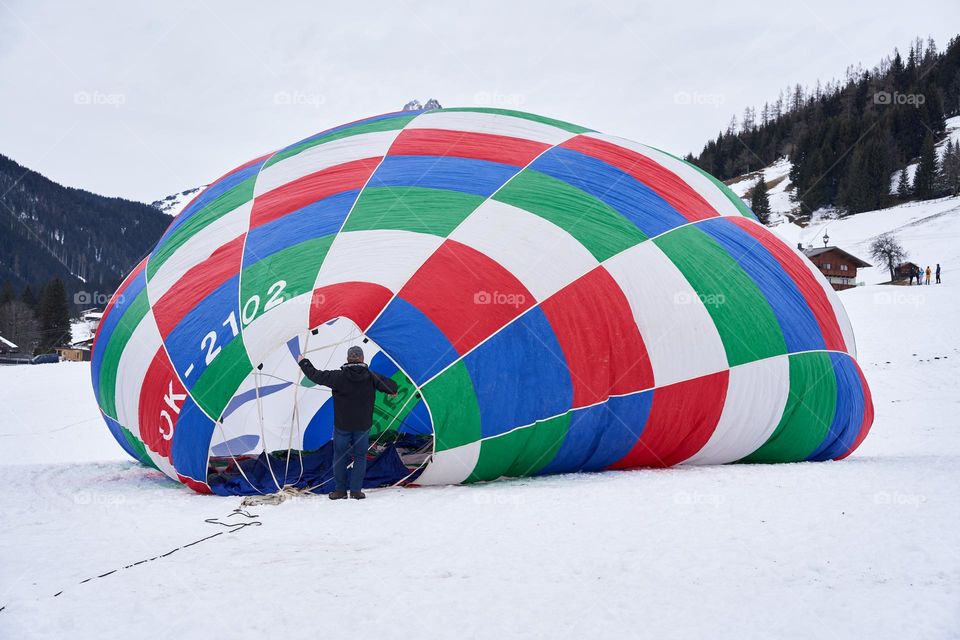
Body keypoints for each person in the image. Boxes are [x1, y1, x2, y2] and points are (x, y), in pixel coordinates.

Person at [297, 346, 398, 500]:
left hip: (342, 425)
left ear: (348, 359)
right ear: (362, 359)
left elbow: (314, 375)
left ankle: (340, 491)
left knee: (339, 456)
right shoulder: (372, 376)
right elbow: (391, 386)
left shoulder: (337, 377)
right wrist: (393, 391)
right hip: (362, 426)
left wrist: (303, 362)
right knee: (360, 457)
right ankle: (356, 491)